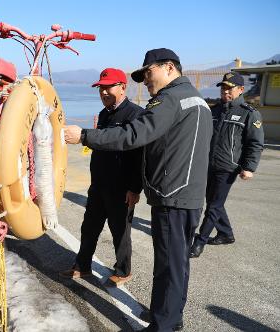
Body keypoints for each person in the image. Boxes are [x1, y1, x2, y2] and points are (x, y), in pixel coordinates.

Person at [64, 48, 213, 332]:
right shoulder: (195, 99)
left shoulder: (171, 99)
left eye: (148, 72)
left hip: (173, 194)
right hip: (187, 193)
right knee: (178, 262)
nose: (144, 80)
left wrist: (84, 135)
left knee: (168, 263)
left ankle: (162, 324)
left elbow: (135, 135)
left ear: (169, 67)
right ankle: (170, 314)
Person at [59, 68, 144, 286]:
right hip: (99, 184)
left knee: (120, 233)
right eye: (101, 88)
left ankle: (123, 271)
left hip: (121, 187)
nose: (104, 92)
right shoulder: (106, 113)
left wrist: (135, 188)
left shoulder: (135, 115)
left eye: (108, 87)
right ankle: (82, 266)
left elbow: (138, 156)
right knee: (89, 227)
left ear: (123, 87)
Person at [189, 72, 264, 258]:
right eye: (223, 87)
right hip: (208, 164)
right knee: (215, 201)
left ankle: (200, 241)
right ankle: (226, 234)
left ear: (240, 90)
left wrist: (249, 168)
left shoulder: (249, 113)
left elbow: (255, 143)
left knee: (213, 206)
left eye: (229, 88)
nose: (225, 91)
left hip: (228, 166)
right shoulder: (214, 111)